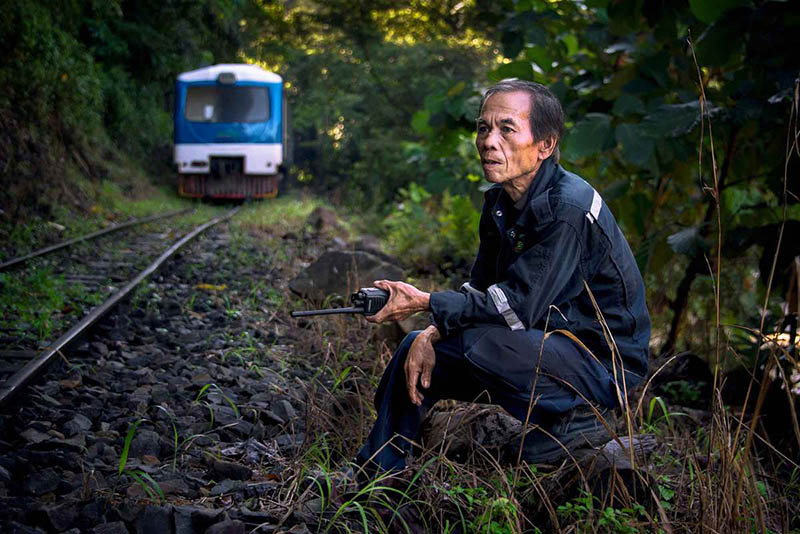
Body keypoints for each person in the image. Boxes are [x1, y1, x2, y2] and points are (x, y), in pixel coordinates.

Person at [355, 79, 650, 475]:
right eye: (483, 128)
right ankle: (380, 468)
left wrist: (425, 301)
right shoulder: (500, 203)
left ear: (545, 145)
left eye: (506, 129)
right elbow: (481, 289)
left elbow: (515, 309)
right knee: (414, 346)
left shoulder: (566, 207)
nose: (489, 141)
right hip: (545, 346)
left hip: (600, 364)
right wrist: (429, 333)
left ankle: (580, 419)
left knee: (480, 340)